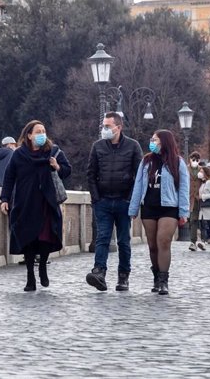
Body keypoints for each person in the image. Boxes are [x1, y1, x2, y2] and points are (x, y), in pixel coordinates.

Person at [0, 120, 71, 292]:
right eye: (38, 131)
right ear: (29, 135)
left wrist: (57, 166)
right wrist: (5, 198)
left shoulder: (53, 152)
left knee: (46, 237)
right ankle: (30, 275)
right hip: (25, 203)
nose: (41, 134)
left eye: (43, 131)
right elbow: (9, 177)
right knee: (29, 239)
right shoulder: (18, 155)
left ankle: (43, 268)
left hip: (47, 202)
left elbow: (67, 170)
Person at [85, 112, 142, 292]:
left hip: (124, 201)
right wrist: (96, 198)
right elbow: (90, 173)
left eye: (108, 126)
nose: (105, 130)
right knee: (102, 237)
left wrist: (131, 200)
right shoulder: (98, 146)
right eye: (104, 126)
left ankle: (123, 276)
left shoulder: (133, 146)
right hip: (103, 201)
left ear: (119, 127)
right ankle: (99, 272)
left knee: (124, 241)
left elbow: (139, 176)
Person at [128, 130, 189, 295]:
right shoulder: (147, 161)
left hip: (169, 206)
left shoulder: (177, 162)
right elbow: (138, 185)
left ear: (164, 142)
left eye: (155, 140)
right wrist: (133, 208)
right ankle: (156, 276)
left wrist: (184, 212)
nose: (152, 142)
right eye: (151, 139)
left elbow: (184, 188)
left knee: (163, 241)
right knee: (153, 245)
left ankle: (163, 280)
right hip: (149, 206)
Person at [187, 152, 206, 251]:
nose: (194, 161)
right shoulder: (186, 169)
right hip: (190, 198)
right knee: (193, 220)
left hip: (201, 198)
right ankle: (193, 242)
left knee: (203, 220)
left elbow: (209, 180)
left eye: (197, 160)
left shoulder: (202, 170)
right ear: (190, 159)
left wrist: (203, 178)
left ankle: (203, 241)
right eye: (193, 159)